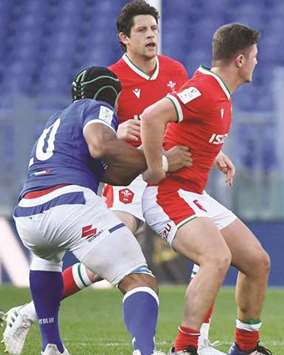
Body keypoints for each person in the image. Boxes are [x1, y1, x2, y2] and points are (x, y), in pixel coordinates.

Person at [2, 2, 223, 353]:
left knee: (202, 245)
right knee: (115, 257)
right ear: (124, 38)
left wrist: (215, 151)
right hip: (129, 173)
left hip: (163, 170)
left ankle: (200, 340)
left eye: (154, 28)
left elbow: (190, 119)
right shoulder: (108, 81)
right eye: (142, 30)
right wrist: (123, 131)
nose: (151, 35)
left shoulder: (174, 70)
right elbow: (99, 139)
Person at [7, 66, 191, 355]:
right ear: (111, 96)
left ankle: (51, 346)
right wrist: (160, 160)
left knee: (47, 259)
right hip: (68, 204)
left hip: (28, 214)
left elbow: (115, 176)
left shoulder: (57, 120)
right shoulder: (96, 108)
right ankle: (145, 352)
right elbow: (101, 146)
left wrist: (150, 163)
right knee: (139, 279)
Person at [140, 23, 271, 355]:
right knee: (216, 257)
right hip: (167, 194)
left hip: (194, 195)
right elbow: (152, 117)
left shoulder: (219, 94)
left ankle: (246, 347)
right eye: (255, 56)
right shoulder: (205, 90)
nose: (258, 61)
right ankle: (184, 347)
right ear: (240, 59)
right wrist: (157, 168)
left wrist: (214, 156)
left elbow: (189, 132)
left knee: (257, 261)